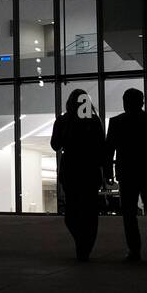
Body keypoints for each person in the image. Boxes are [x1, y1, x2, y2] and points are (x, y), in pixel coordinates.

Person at [105, 88, 147, 261]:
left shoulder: (116, 122)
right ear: (142, 102)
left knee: (129, 213)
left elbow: (108, 150)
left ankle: (134, 250)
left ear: (124, 102)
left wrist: (107, 173)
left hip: (127, 173)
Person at [51, 89, 107, 261]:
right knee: (89, 211)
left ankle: (81, 243)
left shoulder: (63, 120)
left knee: (72, 212)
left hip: (71, 170)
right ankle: (85, 246)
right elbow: (101, 148)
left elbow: (55, 145)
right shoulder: (94, 121)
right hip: (89, 171)